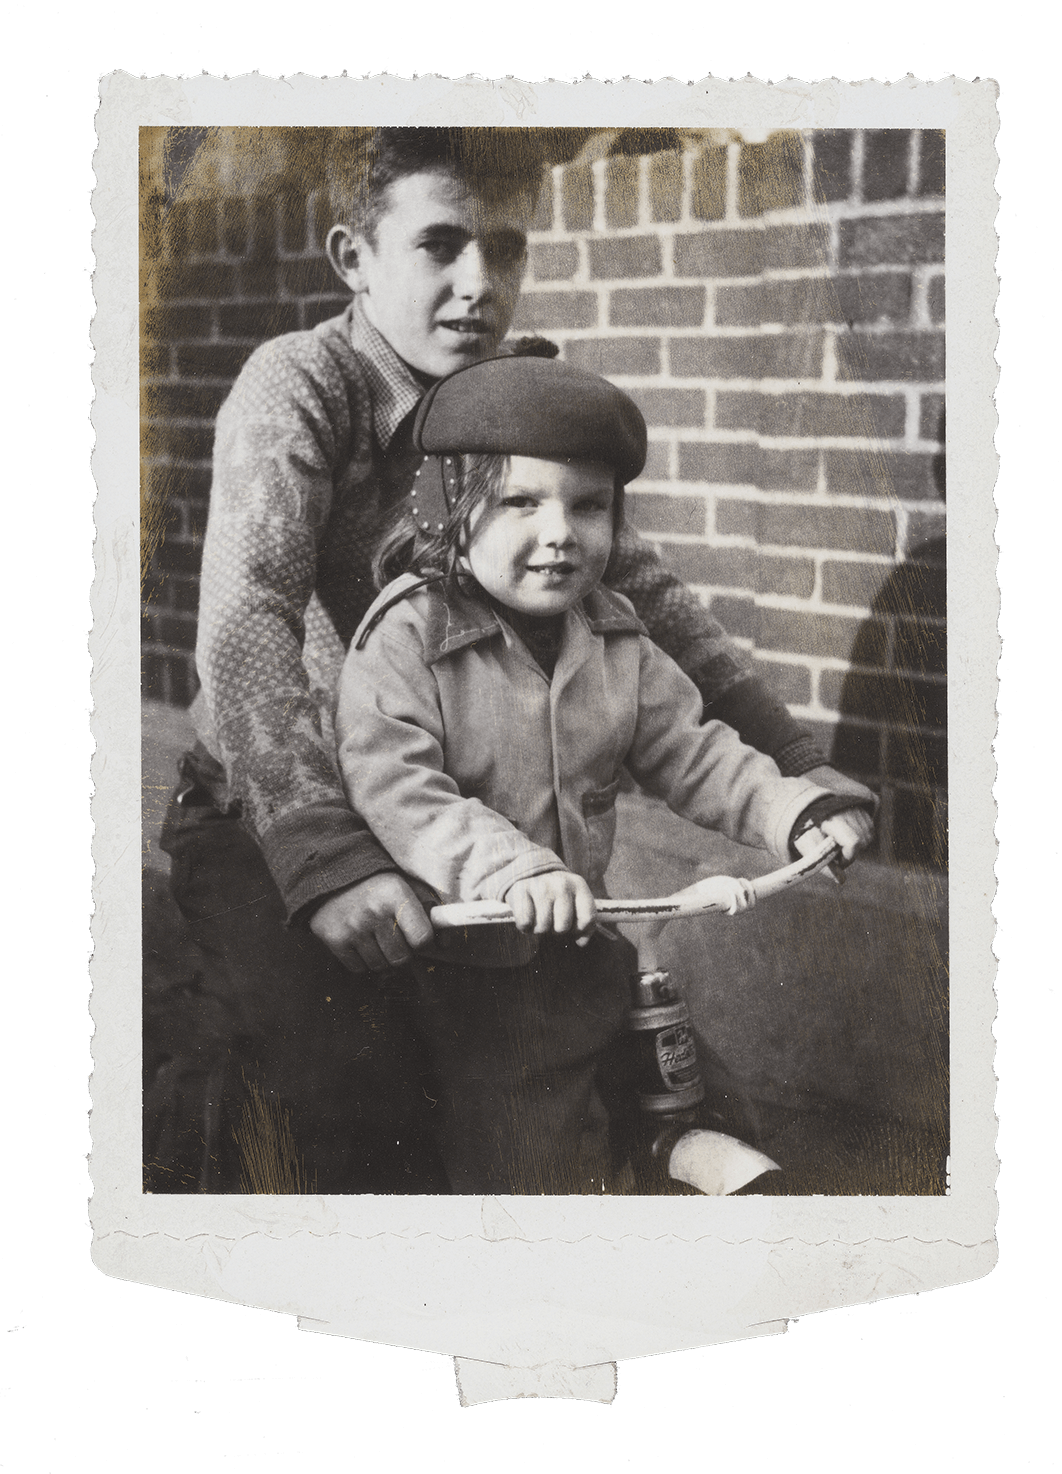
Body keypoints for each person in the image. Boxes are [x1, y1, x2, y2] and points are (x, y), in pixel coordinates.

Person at [150, 127, 874, 1195]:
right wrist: (323, 854)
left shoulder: (516, 400)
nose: (478, 283)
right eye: (440, 245)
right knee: (342, 1087)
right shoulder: (303, 385)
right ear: (353, 258)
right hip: (284, 808)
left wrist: (791, 761)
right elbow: (249, 609)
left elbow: (648, 600)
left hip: (473, 814)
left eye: (506, 247)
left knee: (637, 1056)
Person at [334, 355, 873, 1194]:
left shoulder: (616, 641)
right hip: (458, 968)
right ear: (447, 511)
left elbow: (696, 751)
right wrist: (514, 868)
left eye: (589, 506)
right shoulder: (406, 637)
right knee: (524, 1151)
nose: (561, 532)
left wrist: (793, 810)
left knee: (690, 1086)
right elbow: (400, 790)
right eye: (519, 502)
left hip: (576, 943)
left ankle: (701, 1180)